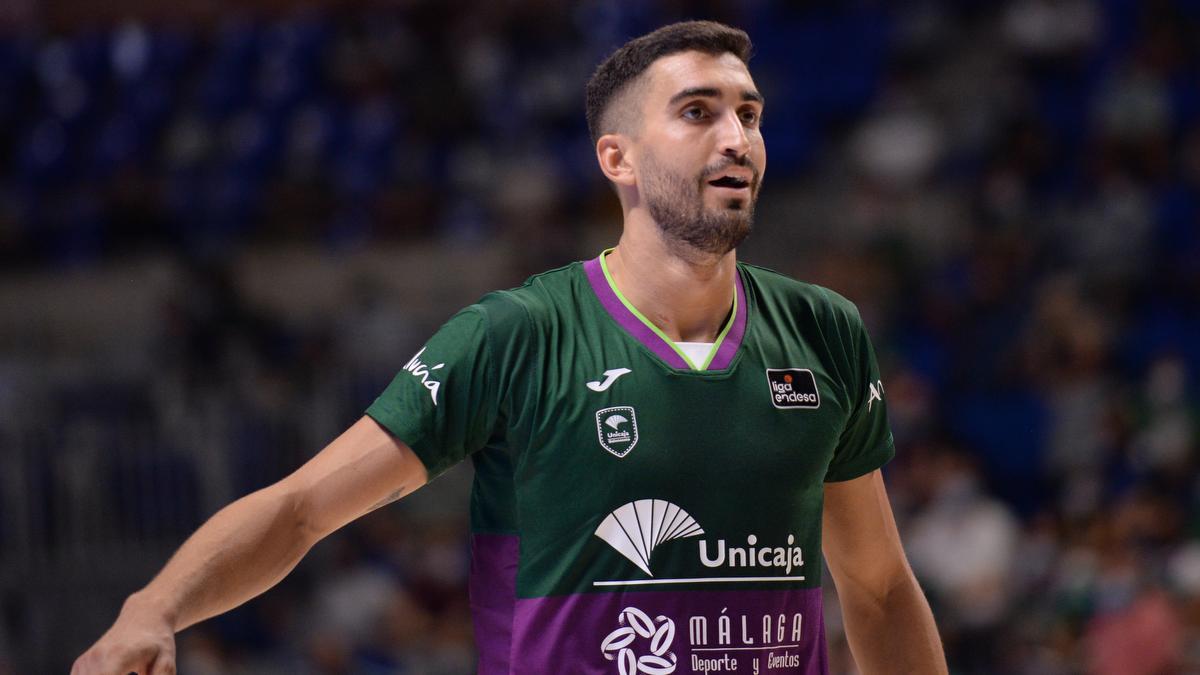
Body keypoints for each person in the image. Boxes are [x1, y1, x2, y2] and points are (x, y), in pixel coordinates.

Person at [73, 20, 947, 675]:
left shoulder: (825, 331)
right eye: (698, 111)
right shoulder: (516, 333)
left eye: (749, 113)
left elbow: (876, 587)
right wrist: (155, 607)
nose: (737, 137)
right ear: (620, 158)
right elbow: (303, 507)